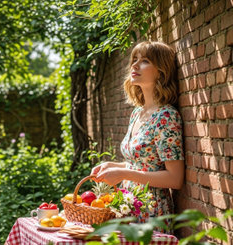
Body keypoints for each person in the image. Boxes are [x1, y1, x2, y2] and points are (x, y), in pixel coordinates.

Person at [91, 41, 185, 233]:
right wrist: (113, 166)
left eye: (145, 61)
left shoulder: (166, 116)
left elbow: (175, 179)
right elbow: (143, 164)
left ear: (161, 71)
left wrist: (124, 174)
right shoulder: (137, 113)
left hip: (151, 212)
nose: (134, 65)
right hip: (128, 205)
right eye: (134, 59)